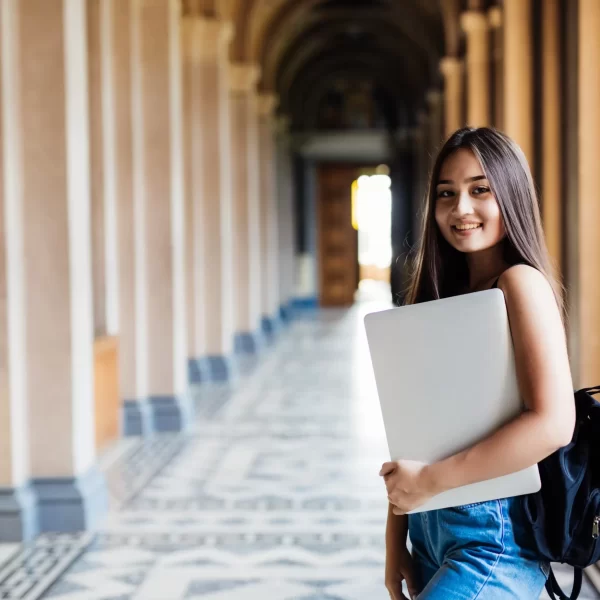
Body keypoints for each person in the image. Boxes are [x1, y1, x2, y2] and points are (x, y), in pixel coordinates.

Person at [379, 127, 576, 599]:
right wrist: (396, 541)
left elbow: (553, 423)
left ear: (511, 194)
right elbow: (415, 429)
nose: (460, 208)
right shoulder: (444, 296)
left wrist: (428, 482)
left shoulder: (520, 283)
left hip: (492, 539)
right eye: (447, 193)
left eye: (480, 189)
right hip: (430, 527)